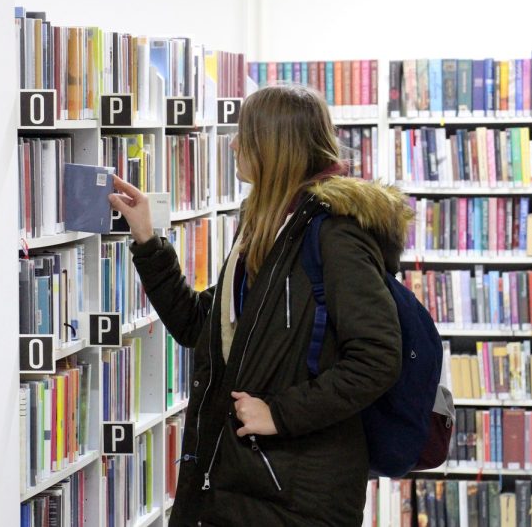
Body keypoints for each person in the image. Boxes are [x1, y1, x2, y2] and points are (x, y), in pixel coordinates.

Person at [108, 84, 415, 526]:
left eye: (244, 134)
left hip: (297, 492)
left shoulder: (336, 234)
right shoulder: (264, 227)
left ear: (273, 145)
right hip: (241, 477)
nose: (234, 144)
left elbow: (377, 357)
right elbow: (200, 325)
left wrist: (280, 414)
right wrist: (148, 242)